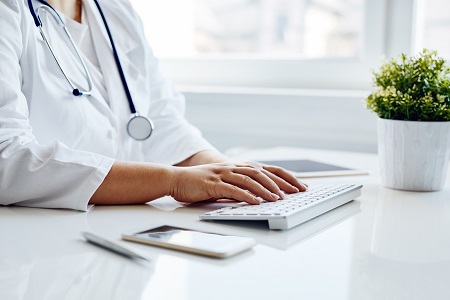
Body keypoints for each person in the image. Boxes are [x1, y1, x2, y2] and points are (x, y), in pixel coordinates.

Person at [0, 0, 306, 210]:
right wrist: (173, 181)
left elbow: (161, 122)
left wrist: (229, 174)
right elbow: (7, 158)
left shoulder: (113, 9)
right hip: (40, 245)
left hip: (124, 237)